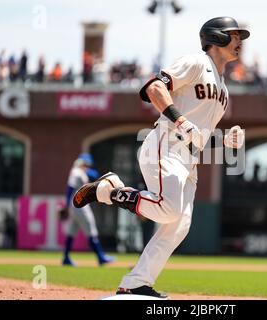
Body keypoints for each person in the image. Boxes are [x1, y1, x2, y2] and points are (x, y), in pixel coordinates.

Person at [72, 17, 248, 298]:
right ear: (217, 37)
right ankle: (109, 192)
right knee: (170, 210)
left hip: (189, 159)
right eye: (235, 35)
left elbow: (199, 138)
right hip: (165, 144)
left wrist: (225, 140)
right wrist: (180, 121)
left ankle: (135, 283)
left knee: (178, 226)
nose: (240, 41)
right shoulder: (196, 62)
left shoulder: (224, 90)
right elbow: (154, 88)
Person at [61, 153, 115, 267]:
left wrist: (67, 205)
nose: (87, 166)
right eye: (86, 163)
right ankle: (101, 257)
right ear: (82, 163)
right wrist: (66, 204)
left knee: (71, 232)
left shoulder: (79, 171)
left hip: (75, 206)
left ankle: (65, 257)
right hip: (80, 206)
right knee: (91, 230)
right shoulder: (77, 171)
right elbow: (70, 187)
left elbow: (92, 175)